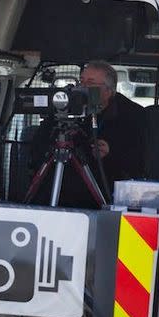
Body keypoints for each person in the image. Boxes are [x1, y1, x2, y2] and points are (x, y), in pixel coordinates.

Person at [28, 60, 145, 208]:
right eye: (81, 81)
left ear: (108, 91)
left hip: (101, 193)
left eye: (90, 83)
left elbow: (139, 160)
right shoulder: (64, 108)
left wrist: (111, 152)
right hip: (57, 189)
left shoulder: (131, 114)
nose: (83, 88)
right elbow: (38, 145)